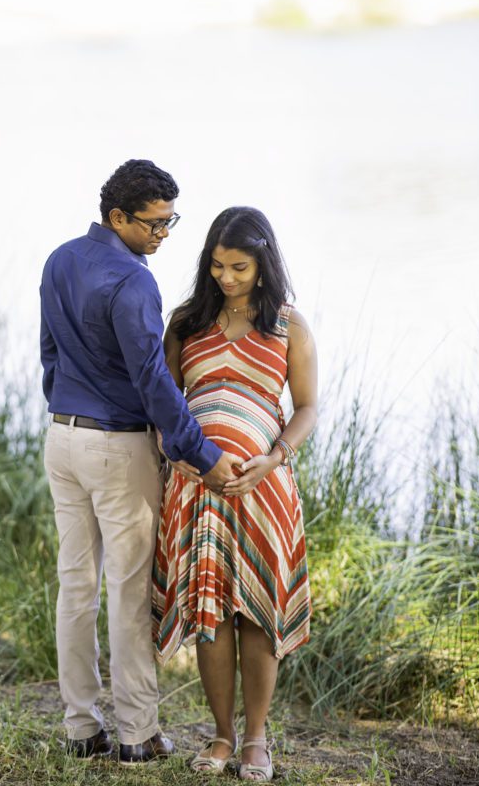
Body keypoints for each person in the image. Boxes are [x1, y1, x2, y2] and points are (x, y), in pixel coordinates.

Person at [40, 159, 239, 765]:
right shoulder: (134, 281)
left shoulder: (60, 259)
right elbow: (153, 381)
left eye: (170, 221)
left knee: (75, 586)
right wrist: (202, 453)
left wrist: (66, 404)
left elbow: (48, 353)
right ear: (117, 217)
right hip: (116, 447)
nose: (164, 235)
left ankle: (80, 728)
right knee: (128, 591)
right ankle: (136, 734)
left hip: (61, 439)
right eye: (154, 224)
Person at [152, 206, 317, 782]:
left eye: (240, 267)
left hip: (263, 490)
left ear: (264, 263)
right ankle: (221, 734)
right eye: (218, 266)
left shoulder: (288, 326)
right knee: (211, 612)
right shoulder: (186, 323)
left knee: (256, 614)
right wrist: (182, 457)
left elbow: (307, 407)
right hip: (199, 490)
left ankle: (255, 739)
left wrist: (273, 459)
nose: (227, 277)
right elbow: (162, 404)